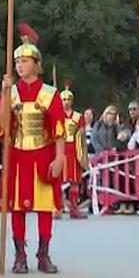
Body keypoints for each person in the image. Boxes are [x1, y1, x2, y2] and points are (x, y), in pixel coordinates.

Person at [0, 23, 66, 274]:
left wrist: (59, 157)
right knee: (18, 206)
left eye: (24, 60)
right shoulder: (10, 93)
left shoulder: (50, 93)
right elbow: (2, 124)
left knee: (44, 205)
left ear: (36, 63)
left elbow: (58, 128)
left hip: (43, 152)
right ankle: (19, 255)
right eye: (17, 61)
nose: (20, 65)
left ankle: (43, 255)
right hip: (18, 153)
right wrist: (4, 92)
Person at [60, 83, 88, 219]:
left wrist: (82, 155)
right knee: (57, 180)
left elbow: (81, 137)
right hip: (60, 149)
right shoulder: (56, 115)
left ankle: (74, 209)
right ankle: (57, 208)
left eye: (68, 99)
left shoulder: (78, 117)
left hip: (74, 149)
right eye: (64, 99)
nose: (66, 102)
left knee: (74, 181)